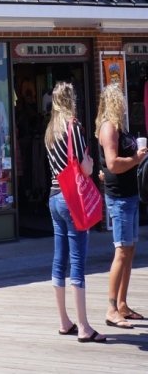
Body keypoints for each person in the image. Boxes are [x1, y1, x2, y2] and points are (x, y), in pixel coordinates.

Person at [44, 82, 105, 343]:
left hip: (54, 197)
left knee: (59, 260)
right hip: (72, 199)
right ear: (71, 100)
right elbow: (84, 168)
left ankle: (64, 321)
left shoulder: (49, 131)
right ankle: (83, 326)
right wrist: (90, 163)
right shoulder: (73, 127)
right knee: (78, 260)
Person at [95, 83, 148, 329]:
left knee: (129, 250)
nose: (125, 105)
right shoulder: (108, 128)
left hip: (130, 196)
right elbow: (113, 164)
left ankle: (122, 304)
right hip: (120, 199)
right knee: (121, 251)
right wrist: (136, 159)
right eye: (122, 100)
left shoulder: (118, 128)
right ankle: (111, 308)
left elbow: (107, 167)